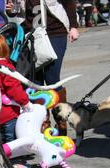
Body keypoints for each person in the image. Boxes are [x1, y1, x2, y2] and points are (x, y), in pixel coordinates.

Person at [23, 0, 79, 136]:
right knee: (35, 81)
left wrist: (73, 26)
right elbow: (16, 10)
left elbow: (69, 2)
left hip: (55, 33)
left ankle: (61, 122)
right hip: (31, 34)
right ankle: (43, 124)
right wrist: (11, 10)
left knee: (52, 78)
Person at [0, 34, 31, 168]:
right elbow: (14, 88)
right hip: (8, 112)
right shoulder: (5, 67)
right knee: (11, 139)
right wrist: (25, 102)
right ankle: (13, 163)